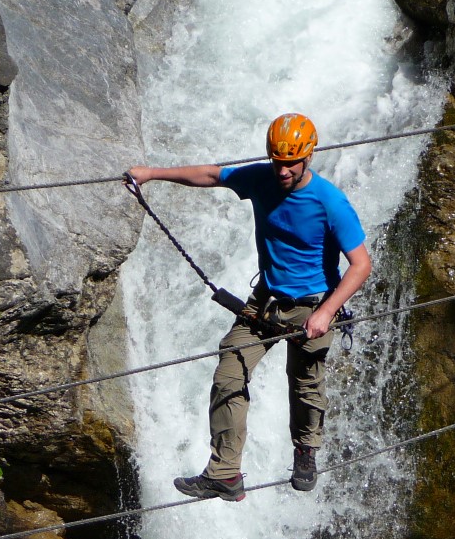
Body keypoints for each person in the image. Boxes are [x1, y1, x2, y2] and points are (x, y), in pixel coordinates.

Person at [128, 113, 372, 501]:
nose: (284, 170)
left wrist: (326, 312)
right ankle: (224, 473)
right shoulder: (262, 178)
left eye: (292, 162)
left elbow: (361, 264)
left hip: (314, 305)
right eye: (278, 161)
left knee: (305, 382)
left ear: (308, 157)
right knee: (228, 372)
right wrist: (151, 174)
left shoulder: (330, 202)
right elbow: (212, 175)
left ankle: (306, 452)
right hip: (266, 304)